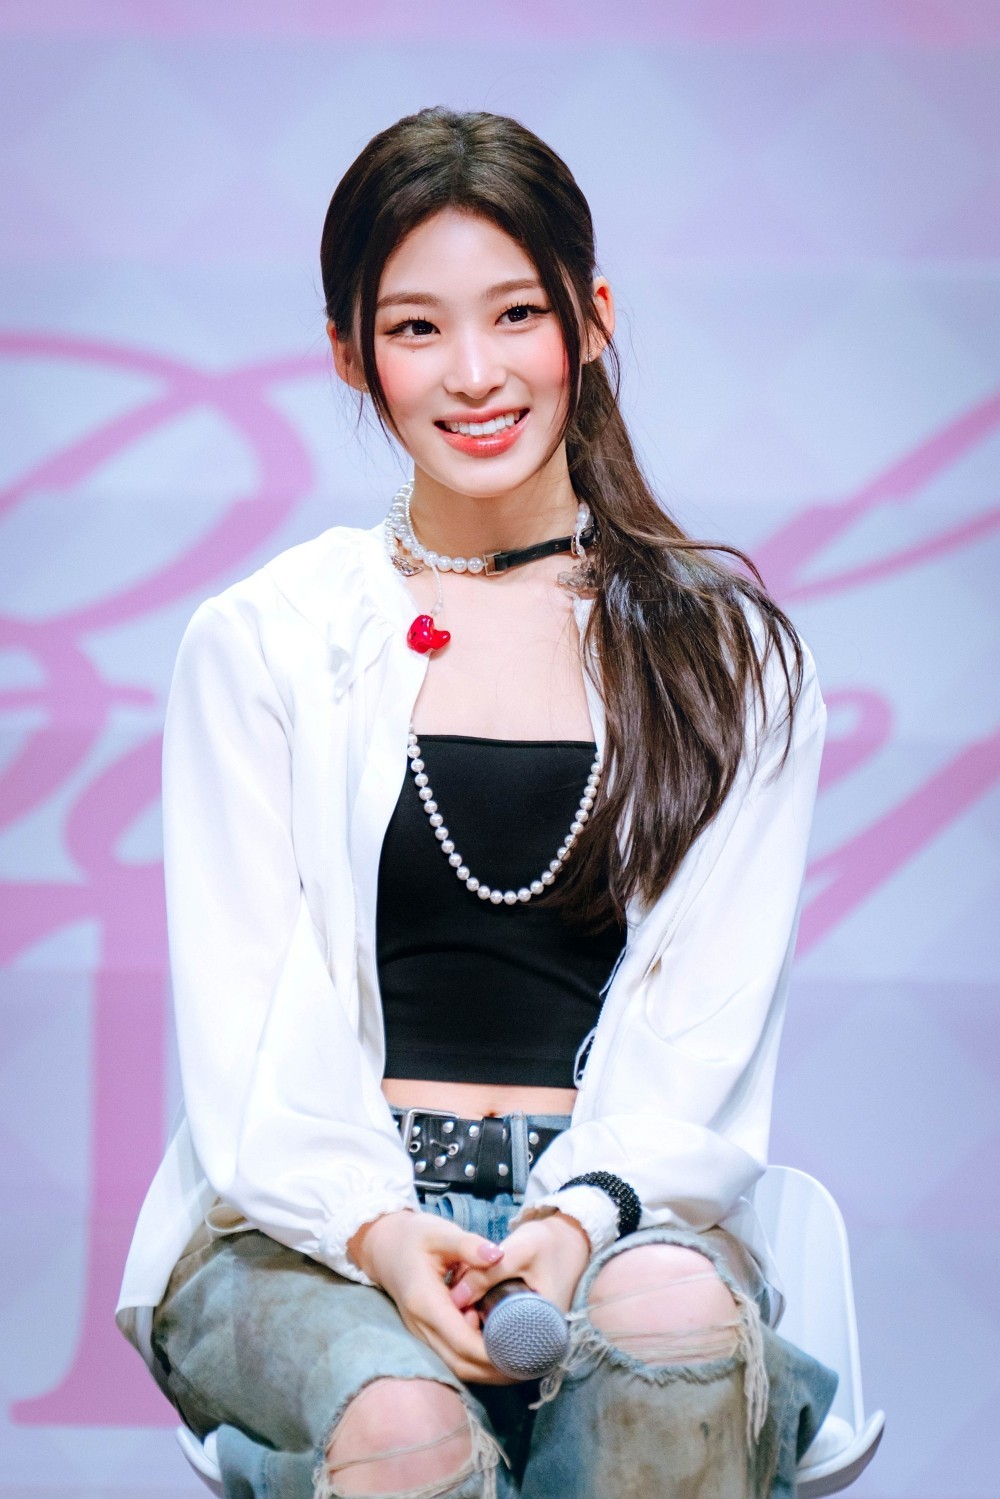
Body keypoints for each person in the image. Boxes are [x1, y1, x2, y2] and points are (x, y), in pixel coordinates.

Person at [116, 106, 837, 1498]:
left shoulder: (733, 660)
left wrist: (574, 1222)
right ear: (350, 353)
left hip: (619, 1219)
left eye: (517, 314)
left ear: (591, 319)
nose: (474, 373)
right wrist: (382, 1230)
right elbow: (254, 1031)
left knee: (664, 1317)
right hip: (314, 1226)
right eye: (415, 328)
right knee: (406, 1427)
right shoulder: (269, 639)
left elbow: (704, 1025)